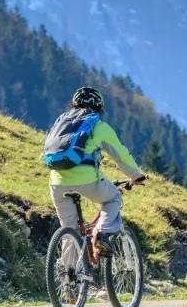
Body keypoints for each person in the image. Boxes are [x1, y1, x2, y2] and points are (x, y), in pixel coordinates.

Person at [47, 86, 146, 254]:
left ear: (74, 104)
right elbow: (121, 155)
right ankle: (103, 234)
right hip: (86, 180)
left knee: (70, 232)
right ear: (100, 108)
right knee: (113, 197)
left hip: (57, 182)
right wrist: (136, 176)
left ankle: (68, 276)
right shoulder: (98, 126)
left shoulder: (62, 122)